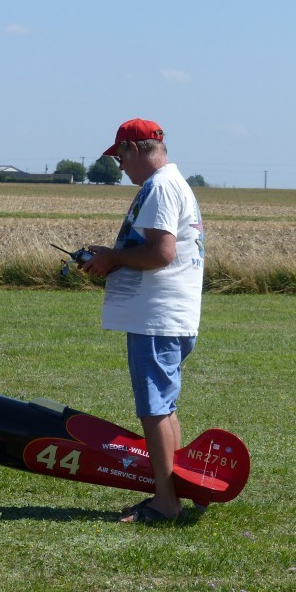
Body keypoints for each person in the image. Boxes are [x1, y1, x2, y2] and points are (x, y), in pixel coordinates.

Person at [81, 118, 205, 524]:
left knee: (153, 410)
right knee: (163, 408)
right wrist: (111, 254)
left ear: (135, 149)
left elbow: (161, 253)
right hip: (168, 315)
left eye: (120, 156)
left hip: (158, 316)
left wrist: (113, 258)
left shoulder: (161, 187)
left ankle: (165, 502)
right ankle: (173, 491)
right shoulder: (170, 184)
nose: (119, 166)